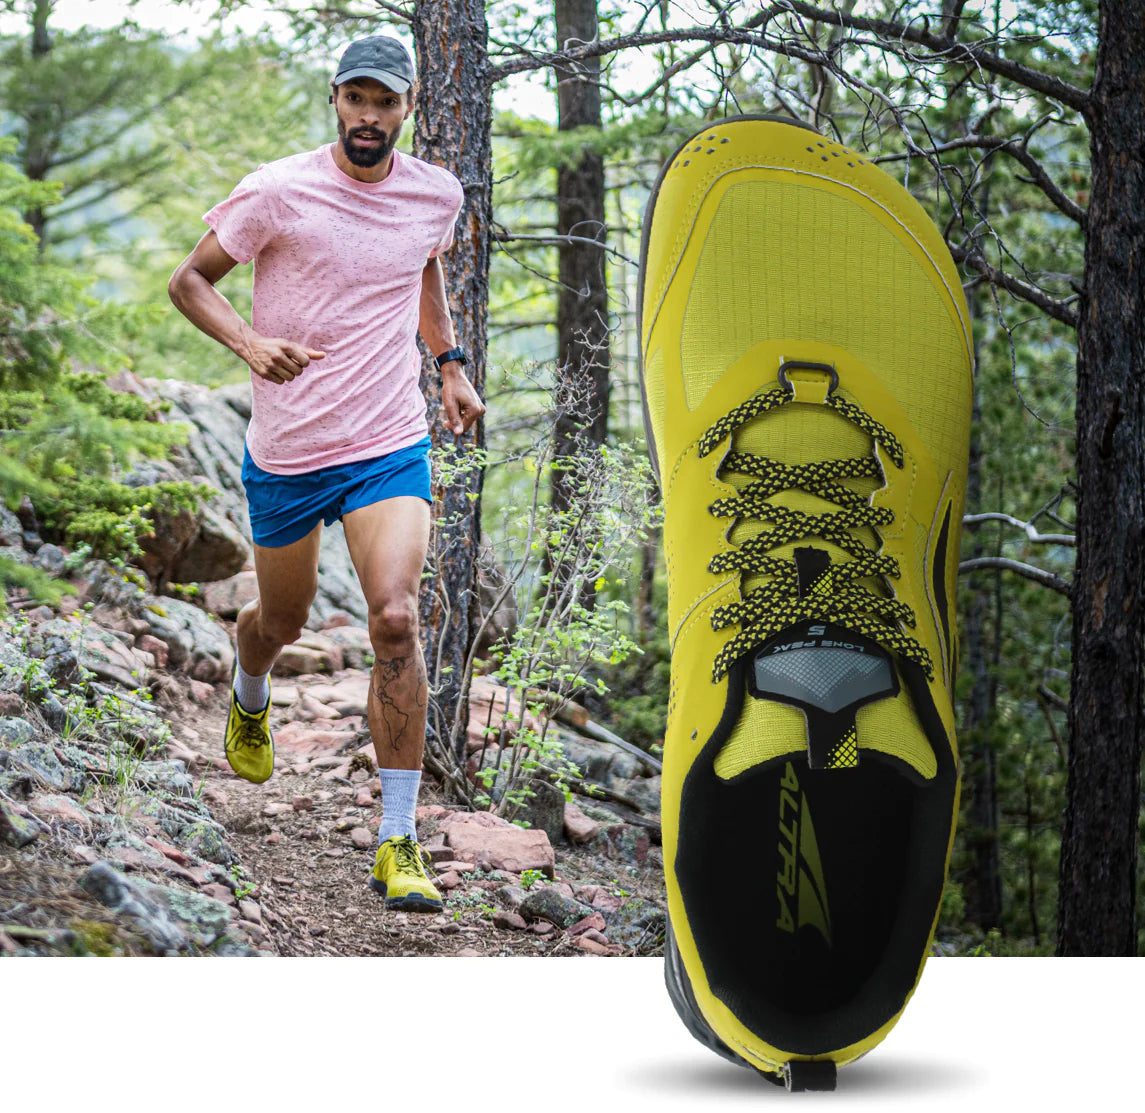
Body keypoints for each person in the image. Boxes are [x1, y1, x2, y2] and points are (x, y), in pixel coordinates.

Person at [167, 35, 484, 914]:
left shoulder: (435, 193)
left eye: (386, 103)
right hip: (290, 450)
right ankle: (251, 682)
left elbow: (421, 265)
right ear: (335, 100)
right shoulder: (278, 189)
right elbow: (189, 281)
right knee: (281, 617)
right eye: (357, 100)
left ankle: (397, 840)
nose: (370, 118)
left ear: (409, 107)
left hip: (388, 438)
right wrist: (249, 341)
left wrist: (449, 363)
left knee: (393, 617)